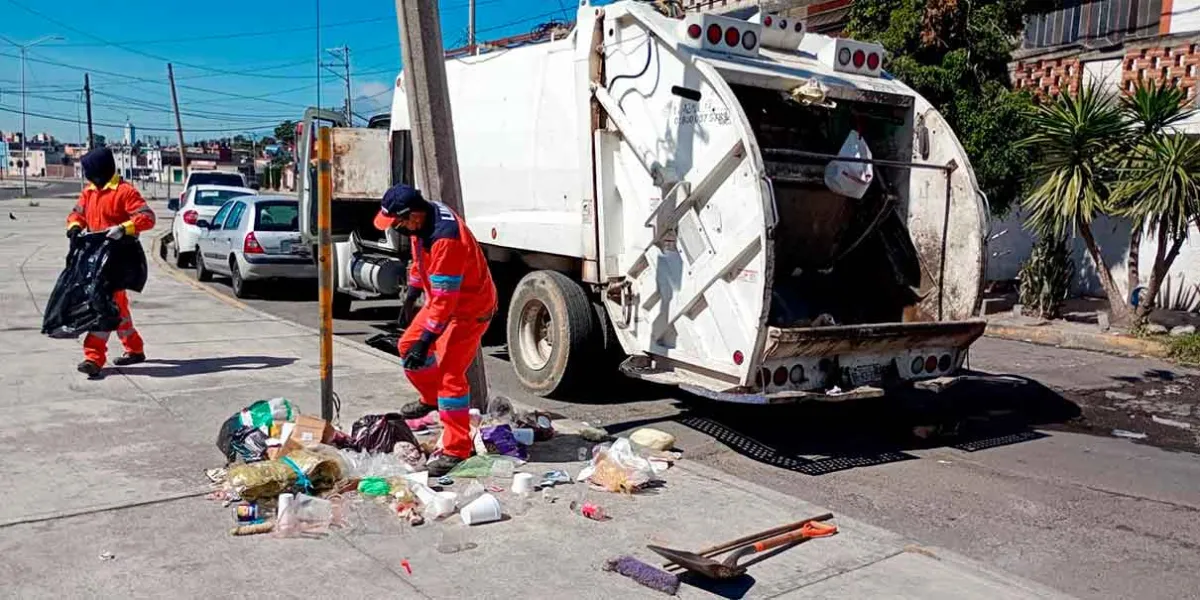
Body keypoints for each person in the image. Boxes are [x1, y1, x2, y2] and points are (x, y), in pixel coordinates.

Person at [373, 184, 496, 476]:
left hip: (468, 310)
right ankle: (431, 400)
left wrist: (427, 339)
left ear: (412, 215)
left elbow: (444, 302)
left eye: (398, 223)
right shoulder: (422, 223)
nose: (397, 230)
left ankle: (457, 450)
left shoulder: (446, 239)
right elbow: (421, 260)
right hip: (446, 301)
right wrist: (413, 294)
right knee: (407, 346)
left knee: (450, 377)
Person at [67, 147, 157, 376]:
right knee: (118, 307)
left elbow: (147, 217)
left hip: (117, 261)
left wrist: (124, 228)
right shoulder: (89, 193)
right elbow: (77, 213)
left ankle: (93, 358)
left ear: (100, 169)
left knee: (103, 307)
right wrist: (75, 227)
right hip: (95, 259)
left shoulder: (125, 191)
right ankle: (134, 348)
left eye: (88, 170)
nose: (86, 175)